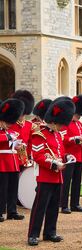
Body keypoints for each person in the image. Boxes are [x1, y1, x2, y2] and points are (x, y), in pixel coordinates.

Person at [28, 98, 76, 246]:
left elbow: (61, 152)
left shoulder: (57, 134)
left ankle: (50, 232)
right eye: (62, 125)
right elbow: (38, 156)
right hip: (45, 176)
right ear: (55, 122)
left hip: (57, 177)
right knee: (40, 207)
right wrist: (54, 164)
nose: (63, 128)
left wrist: (67, 157)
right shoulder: (39, 134)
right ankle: (33, 234)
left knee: (54, 206)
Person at [60, 94, 82, 214]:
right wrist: (76, 139)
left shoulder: (79, 124)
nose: (78, 117)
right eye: (77, 115)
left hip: (79, 155)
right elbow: (63, 139)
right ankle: (63, 204)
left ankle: (75, 203)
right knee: (66, 180)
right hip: (68, 156)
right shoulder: (65, 123)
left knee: (77, 181)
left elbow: (81, 140)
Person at [8, 90, 35, 220]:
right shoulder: (10, 125)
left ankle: (13, 209)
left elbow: (30, 143)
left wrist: (29, 157)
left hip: (23, 158)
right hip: (10, 158)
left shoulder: (29, 125)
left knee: (15, 185)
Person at [0, 99, 25, 223]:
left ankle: (12, 211)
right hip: (2, 163)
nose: (10, 125)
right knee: (2, 188)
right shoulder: (6, 132)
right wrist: (8, 137)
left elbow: (11, 143)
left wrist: (17, 145)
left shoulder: (10, 130)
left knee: (13, 188)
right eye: (8, 122)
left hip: (13, 162)